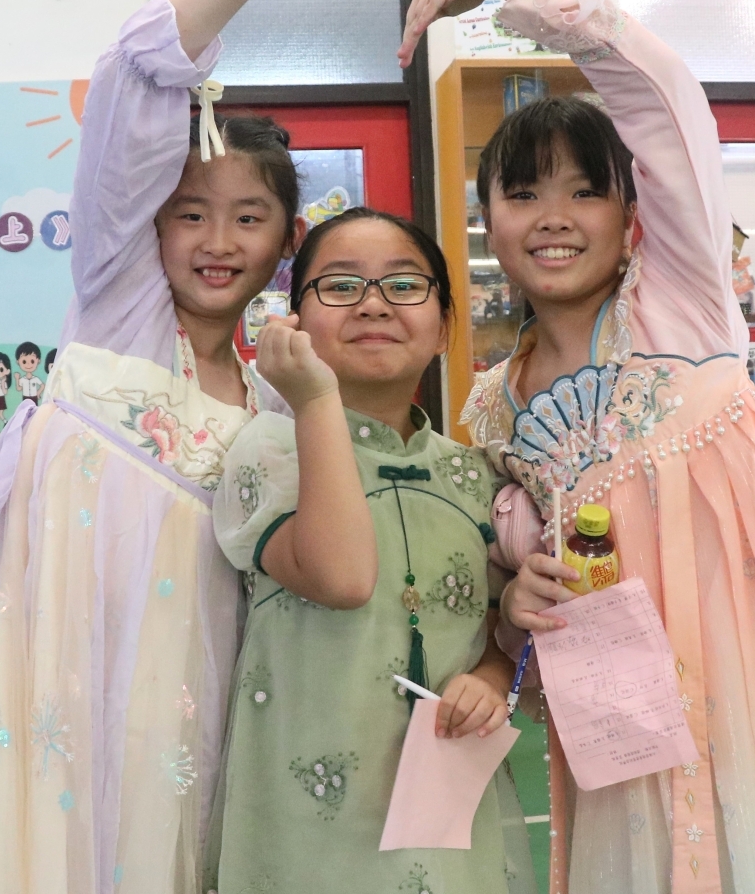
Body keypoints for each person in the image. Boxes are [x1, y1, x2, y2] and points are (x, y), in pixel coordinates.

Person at [399, 0, 755, 894]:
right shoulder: (487, 407)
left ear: (633, 212)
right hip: (615, 723)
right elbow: (502, 575)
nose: (553, 218)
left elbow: (668, 105)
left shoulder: (685, 306)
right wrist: (513, 605)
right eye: (522, 194)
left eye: (585, 191)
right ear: (488, 222)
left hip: (750, 692)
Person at [0, 0, 404, 894]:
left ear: (285, 240)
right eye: (189, 214)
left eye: (248, 218)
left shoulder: (267, 399)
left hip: (183, 702)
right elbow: (132, 74)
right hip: (62, 678)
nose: (216, 241)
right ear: (145, 222)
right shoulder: (116, 310)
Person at [209, 209, 533, 894]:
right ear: (292, 321)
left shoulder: (475, 476)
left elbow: (502, 627)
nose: (374, 304)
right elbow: (341, 577)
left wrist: (490, 676)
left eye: (404, 285)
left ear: (444, 327)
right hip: (305, 821)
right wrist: (314, 399)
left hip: (446, 815)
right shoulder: (270, 449)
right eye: (341, 286)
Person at [13, 341, 45, 405]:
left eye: (32, 361)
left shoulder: (35, 379)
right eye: (24, 362)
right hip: (25, 398)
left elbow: (42, 385)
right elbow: (19, 388)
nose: (28, 364)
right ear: (18, 362)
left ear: (38, 361)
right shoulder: (22, 379)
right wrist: (17, 379)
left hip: (34, 397)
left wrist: (38, 393)